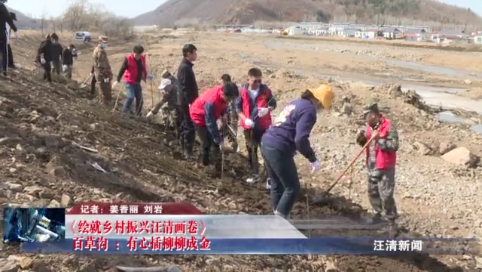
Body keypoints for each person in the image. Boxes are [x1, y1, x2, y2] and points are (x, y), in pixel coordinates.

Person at [261, 84, 334, 219]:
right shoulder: (309, 111)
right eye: (322, 106)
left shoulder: (297, 102)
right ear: (318, 101)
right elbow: (300, 140)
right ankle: (280, 221)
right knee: (292, 188)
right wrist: (312, 158)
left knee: (277, 184)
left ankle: (277, 217)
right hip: (278, 147)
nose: (321, 109)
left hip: (266, 142)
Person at [356, 103, 399, 238]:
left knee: (386, 196)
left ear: (373, 115)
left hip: (385, 167)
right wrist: (361, 138)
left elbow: (394, 146)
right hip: (372, 165)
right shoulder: (369, 127)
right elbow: (366, 144)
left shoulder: (389, 126)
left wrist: (379, 139)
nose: (365, 119)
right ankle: (377, 215)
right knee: (373, 192)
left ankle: (391, 222)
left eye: (366, 116)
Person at [236, 68, 277, 184]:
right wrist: (245, 119)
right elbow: (237, 108)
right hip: (249, 127)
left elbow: (273, 103)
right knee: (251, 151)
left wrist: (267, 110)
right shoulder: (242, 91)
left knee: (266, 152)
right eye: (255, 81)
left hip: (264, 126)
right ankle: (254, 174)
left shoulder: (265, 90)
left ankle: (268, 177)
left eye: (259, 81)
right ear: (248, 80)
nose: (257, 84)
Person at [190, 81, 239, 173]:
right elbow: (210, 123)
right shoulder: (211, 102)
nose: (230, 101)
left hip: (210, 116)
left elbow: (224, 106)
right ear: (224, 95)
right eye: (229, 99)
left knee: (215, 142)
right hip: (198, 117)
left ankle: (215, 163)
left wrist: (224, 114)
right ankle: (203, 165)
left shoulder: (223, 92)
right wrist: (218, 140)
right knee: (206, 143)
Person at [176, 44, 198, 159]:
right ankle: (187, 152)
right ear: (188, 54)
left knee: (186, 125)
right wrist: (190, 102)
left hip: (184, 102)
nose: (196, 55)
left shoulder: (186, 66)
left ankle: (184, 149)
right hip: (186, 103)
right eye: (194, 53)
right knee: (190, 127)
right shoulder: (185, 67)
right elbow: (185, 87)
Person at [113, 45, 147, 116]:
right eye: (137, 55)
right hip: (129, 81)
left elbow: (143, 69)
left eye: (139, 55)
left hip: (137, 82)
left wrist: (146, 75)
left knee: (140, 99)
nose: (138, 57)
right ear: (133, 52)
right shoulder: (128, 59)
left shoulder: (142, 59)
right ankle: (124, 112)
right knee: (130, 97)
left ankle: (137, 114)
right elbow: (122, 69)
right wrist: (117, 80)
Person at [218, 74, 239, 153]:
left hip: (231, 116)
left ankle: (233, 151)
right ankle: (221, 148)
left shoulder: (231, 92)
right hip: (226, 116)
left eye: (222, 83)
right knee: (222, 132)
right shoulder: (229, 90)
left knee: (231, 134)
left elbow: (232, 106)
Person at [91, 36, 112, 105]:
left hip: (99, 73)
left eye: (106, 42)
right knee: (105, 91)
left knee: (101, 90)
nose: (105, 44)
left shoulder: (96, 49)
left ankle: (102, 103)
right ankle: (105, 106)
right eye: (104, 42)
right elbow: (102, 66)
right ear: (100, 42)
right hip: (102, 74)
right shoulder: (100, 52)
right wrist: (106, 76)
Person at [0, 2, 17, 77]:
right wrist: (15, 29)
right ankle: (4, 70)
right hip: (1, 34)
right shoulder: (1, 6)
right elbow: (8, 18)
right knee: (4, 53)